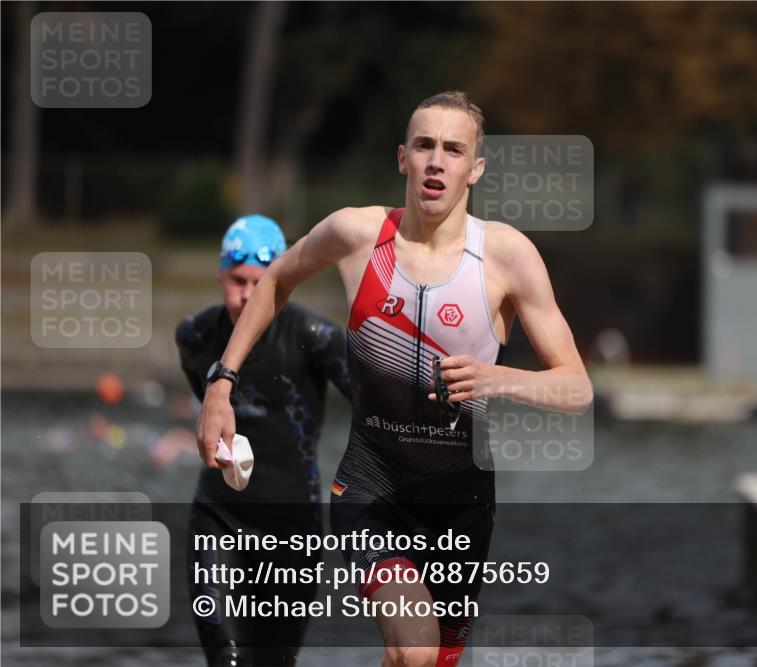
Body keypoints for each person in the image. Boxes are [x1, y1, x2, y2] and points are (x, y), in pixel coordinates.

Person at [195, 91, 593, 667]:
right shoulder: (358, 235)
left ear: (474, 169)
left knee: (434, 662)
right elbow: (277, 280)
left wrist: (496, 377)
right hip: (371, 487)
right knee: (413, 649)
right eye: (425, 145)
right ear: (402, 157)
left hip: (462, 502)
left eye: (453, 150)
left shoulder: (507, 256)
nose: (437, 161)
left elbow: (577, 388)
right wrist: (221, 382)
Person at [177, 214, 351, 666]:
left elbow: (376, 408)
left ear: (282, 282)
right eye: (237, 280)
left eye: (260, 281)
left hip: (294, 532)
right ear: (221, 275)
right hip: (219, 520)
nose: (247, 295)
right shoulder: (195, 336)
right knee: (228, 659)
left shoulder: (316, 337)